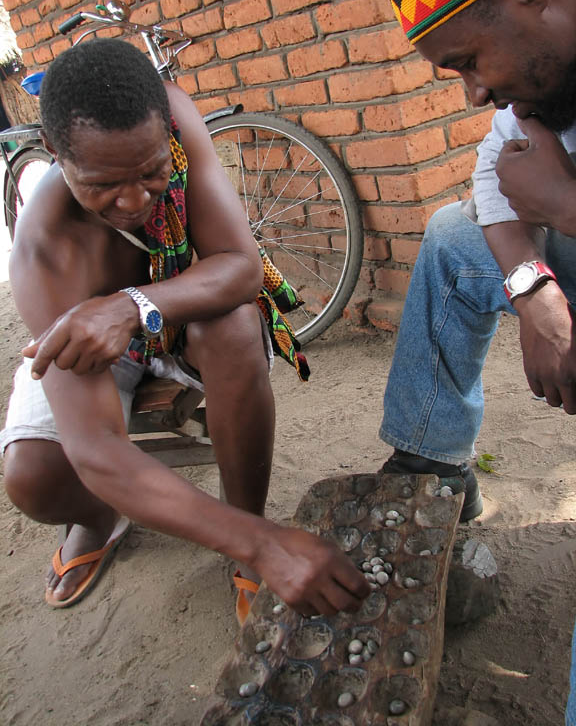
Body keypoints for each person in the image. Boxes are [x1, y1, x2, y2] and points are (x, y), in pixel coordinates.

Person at [0, 39, 369, 620]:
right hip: (100, 344)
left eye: (151, 172)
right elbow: (96, 448)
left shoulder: (174, 118)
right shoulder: (45, 252)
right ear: (51, 151)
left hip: (170, 306)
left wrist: (130, 305)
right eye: (102, 184)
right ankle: (102, 518)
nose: (134, 200)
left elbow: (241, 267)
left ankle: (243, 524)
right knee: (32, 478)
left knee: (235, 327)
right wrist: (270, 542)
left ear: (164, 129)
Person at [376, 0, 576, 721]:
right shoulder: (544, 79)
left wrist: (562, 201)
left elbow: (538, 191)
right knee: (456, 234)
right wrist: (532, 292)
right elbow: (494, 176)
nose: (476, 93)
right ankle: (433, 459)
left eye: (468, 62)